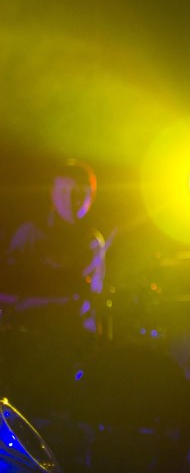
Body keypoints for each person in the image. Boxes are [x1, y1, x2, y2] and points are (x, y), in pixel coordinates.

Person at [1, 159, 110, 418]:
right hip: (27, 340)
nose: (72, 200)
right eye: (64, 192)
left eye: (80, 193)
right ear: (52, 193)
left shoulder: (91, 242)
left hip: (70, 343)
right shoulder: (30, 234)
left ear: (90, 197)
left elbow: (93, 298)